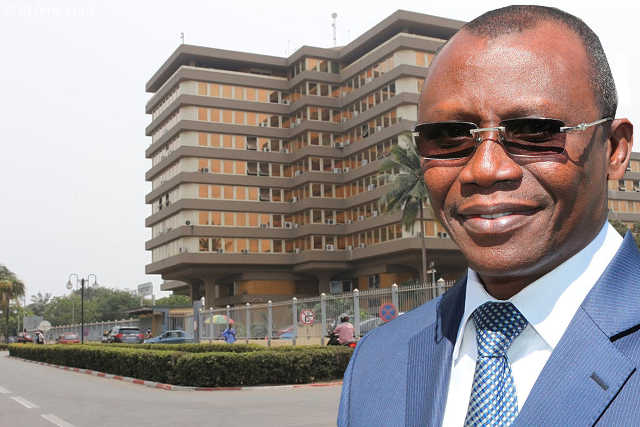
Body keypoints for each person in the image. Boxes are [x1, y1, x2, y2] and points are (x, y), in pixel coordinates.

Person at [338, 5, 636, 426]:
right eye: (449, 137)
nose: (485, 169)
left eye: (534, 131)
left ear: (614, 150)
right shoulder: (378, 361)